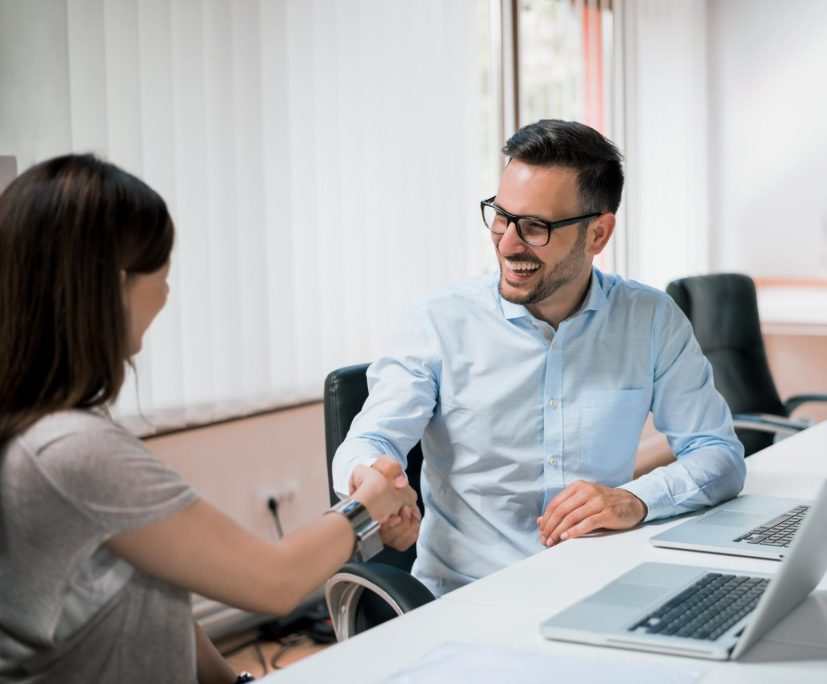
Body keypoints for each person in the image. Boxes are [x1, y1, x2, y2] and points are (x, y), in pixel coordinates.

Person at [0, 154, 417, 684]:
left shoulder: (37, 427)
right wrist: (370, 506)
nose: (168, 292)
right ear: (110, 286)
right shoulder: (72, 450)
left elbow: (156, 584)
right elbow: (275, 580)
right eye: (160, 270)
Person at [332, 119, 745, 597]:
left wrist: (635, 498)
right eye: (501, 216)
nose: (508, 244)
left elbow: (719, 454)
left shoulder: (649, 319)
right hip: (468, 598)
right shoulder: (437, 323)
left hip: (599, 586)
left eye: (535, 227)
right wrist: (373, 481)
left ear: (598, 234)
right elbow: (369, 440)